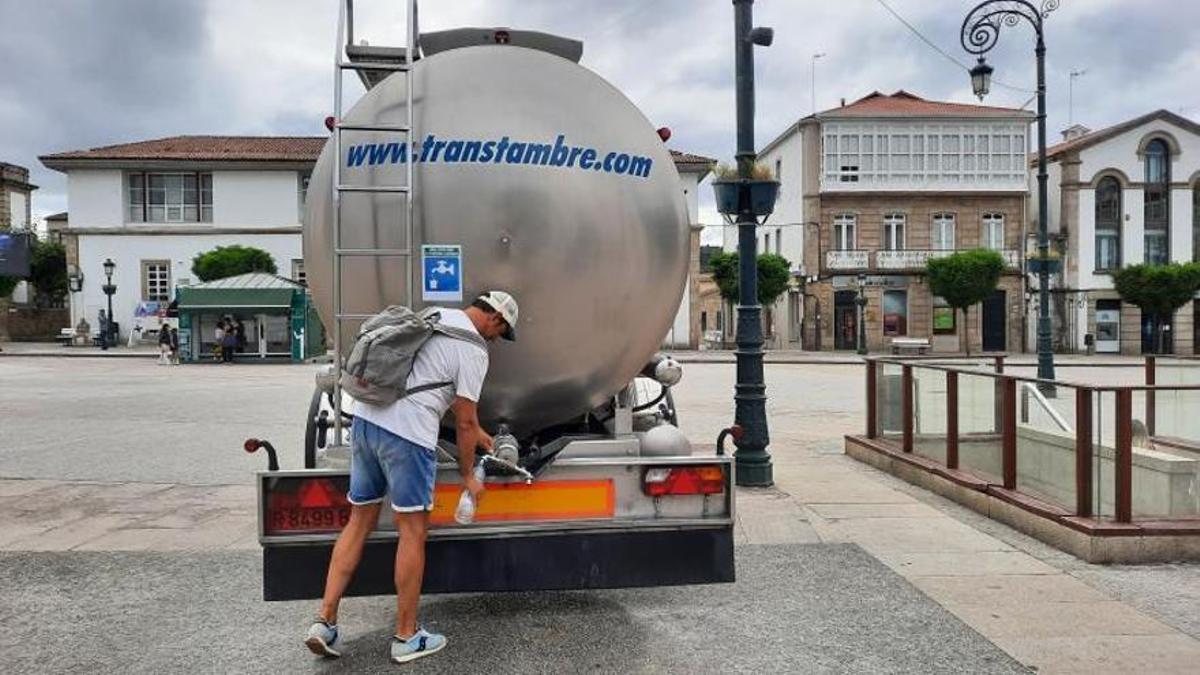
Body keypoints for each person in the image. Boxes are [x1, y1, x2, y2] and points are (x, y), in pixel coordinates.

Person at [304, 290, 519, 665]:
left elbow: (430, 382)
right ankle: (406, 636)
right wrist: (468, 476)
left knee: (358, 523)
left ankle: (325, 621)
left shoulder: (434, 315)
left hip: (367, 423)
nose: (496, 339)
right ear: (495, 318)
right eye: (501, 332)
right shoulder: (473, 348)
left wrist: (479, 431)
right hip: (408, 437)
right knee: (413, 531)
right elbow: (464, 421)